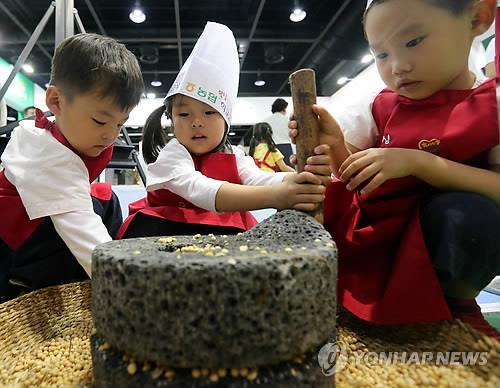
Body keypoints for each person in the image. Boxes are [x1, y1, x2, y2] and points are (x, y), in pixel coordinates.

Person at [290, 0, 500, 337]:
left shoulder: (492, 106)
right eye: (381, 55)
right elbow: (357, 180)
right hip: (383, 232)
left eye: (414, 41)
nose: (398, 66)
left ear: (477, 18)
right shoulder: (382, 104)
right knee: (306, 199)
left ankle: (459, 304)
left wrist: (420, 163)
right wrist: (335, 147)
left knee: (471, 215)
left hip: (445, 236)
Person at [118, 22, 330, 239]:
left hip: (222, 229)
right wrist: (277, 196)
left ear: (226, 121)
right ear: (171, 120)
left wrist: (294, 181)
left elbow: (258, 179)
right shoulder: (172, 154)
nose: (197, 122)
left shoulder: (235, 154)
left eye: (209, 113)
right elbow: (199, 188)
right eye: (184, 114)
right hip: (167, 230)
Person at [0, 33, 144, 302]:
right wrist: (130, 288)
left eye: (120, 124)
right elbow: (83, 231)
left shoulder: (64, 134)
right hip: (16, 246)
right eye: (100, 121)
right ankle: (35, 287)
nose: (111, 135)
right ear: (56, 101)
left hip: (38, 221)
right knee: (97, 207)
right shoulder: (46, 155)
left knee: (106, 197)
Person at [263, 98, 294, 167]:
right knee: (289, 171)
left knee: (274, 172)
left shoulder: (265, 121)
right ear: (284, 108)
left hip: (271, 147)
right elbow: (291, 134)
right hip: (286, 147)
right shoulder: (288, 120)